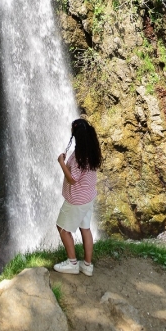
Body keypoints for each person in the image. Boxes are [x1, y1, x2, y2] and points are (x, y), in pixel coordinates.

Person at [54, 118, 102, 276]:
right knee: (85, 228)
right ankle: (87, 265)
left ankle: (72, 263)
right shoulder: (90, 149)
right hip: (88, 197)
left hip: (76, 199)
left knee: (62, 228)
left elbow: (72, 179)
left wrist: (61, 162)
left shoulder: (79, 156)